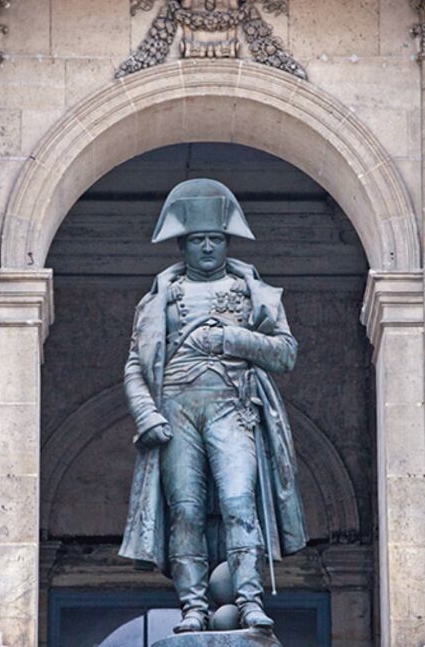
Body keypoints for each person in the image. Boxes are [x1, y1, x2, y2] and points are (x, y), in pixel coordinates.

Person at [120, 179, 306, 634]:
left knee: (240, 501)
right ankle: (193, 607)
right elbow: (135, 365)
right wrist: (146, 414)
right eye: (198, 240)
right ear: (182, 245)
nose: (207, 247)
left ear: (227, 242)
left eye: (216, 239)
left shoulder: (253, 292)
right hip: (175, 410)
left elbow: (285, 353)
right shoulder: (159, 298)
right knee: (185, 511)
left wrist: (230, 338)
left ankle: (249, 600)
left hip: (232, 405)